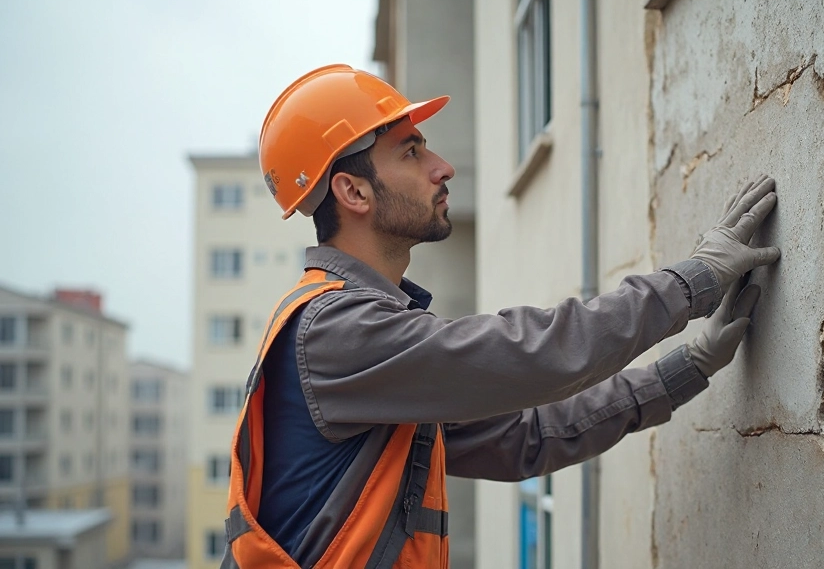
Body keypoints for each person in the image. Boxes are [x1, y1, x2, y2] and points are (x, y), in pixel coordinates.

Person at [221, 64, 781, 569]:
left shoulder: (367, 345)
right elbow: (529, 354)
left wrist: (688, 367)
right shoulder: (334, 331)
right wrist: (692, 282)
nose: (442, 168)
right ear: (353, 191)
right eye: (411, 151)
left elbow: (529, 436)